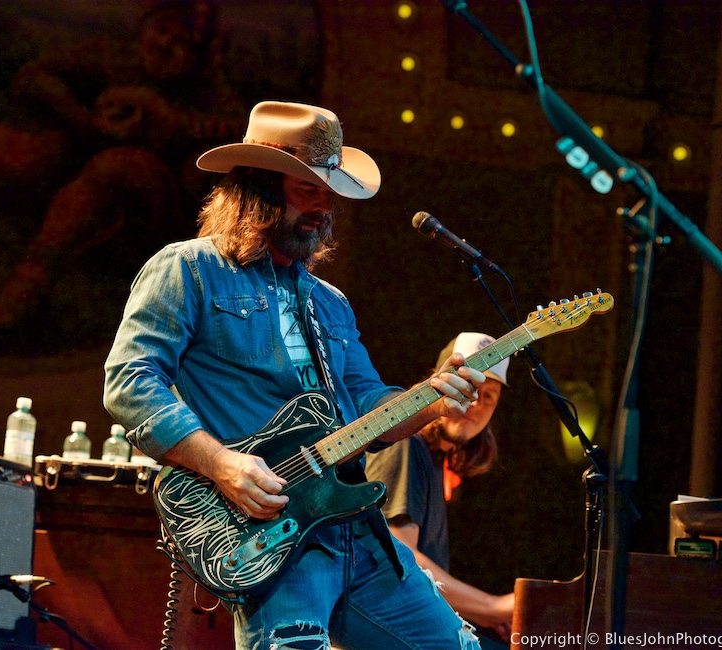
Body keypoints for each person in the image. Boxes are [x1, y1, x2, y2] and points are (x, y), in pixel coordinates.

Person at [103, 100, 492, 649]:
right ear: (260, 186)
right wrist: (221, 463)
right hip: (273, 531)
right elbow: (130, 380)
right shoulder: (188, 269)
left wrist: (432, 399)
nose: (325, 204)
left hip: (357, 531)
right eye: (309, 188)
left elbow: (368, 404)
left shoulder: (330, 302)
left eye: (329, 190)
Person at [0, 0, 244, 326]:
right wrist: (84, 119)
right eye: (163, 30)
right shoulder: (110, 56)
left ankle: (27, 287)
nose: (165, 45)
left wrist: (172, 123)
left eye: (182, 44)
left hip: (135, 217)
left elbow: (239, 140)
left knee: (119, 166)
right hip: (53, 172)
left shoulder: (210, 93)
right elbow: (32, 79)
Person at [365, 332, 517, 648]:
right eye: (470, 387)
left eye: (489, 396)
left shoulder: (437, 464)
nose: (476, 404)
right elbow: (400, 559)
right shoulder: (405, 445)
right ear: (441, 383)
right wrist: (492, 607)